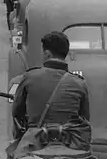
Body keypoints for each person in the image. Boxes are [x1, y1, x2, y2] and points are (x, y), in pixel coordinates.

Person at [8, 31, 91, 159]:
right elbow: (85, 117)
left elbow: (17, 113)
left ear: (47, 54)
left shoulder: (30, 77)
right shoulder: (79, 83)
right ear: (66, 53)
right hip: (71, 144)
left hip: (36, 142)